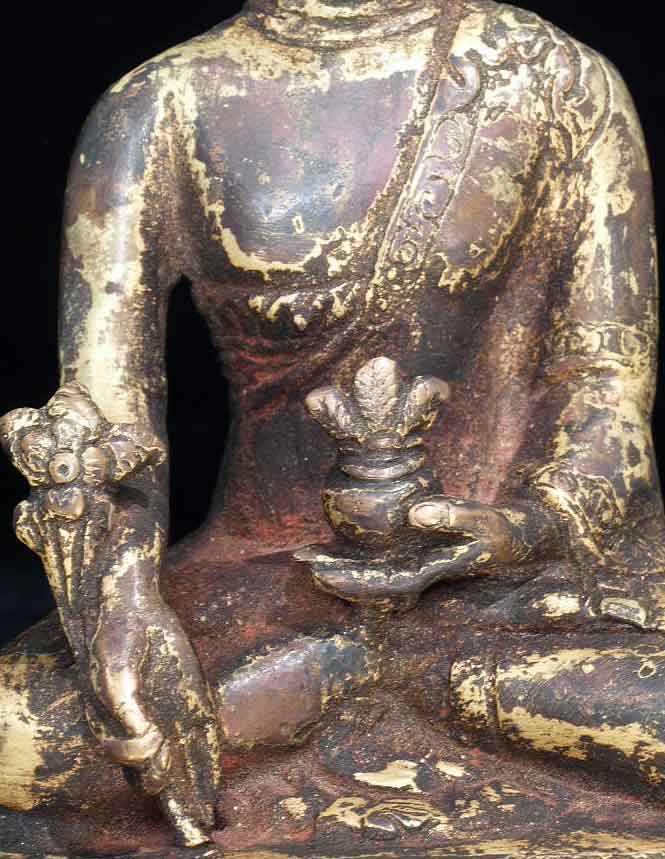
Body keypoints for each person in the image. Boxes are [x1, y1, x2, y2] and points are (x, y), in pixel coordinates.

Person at [1, 0, 664, 854]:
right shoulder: (160, 104)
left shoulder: (548, 74)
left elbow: (602, 374)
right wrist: (119, 604)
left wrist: (528, 526)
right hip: (266, 582)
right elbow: (101, 422)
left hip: (525, 587)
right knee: (19, 737)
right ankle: (374, 683)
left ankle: (384, 682)